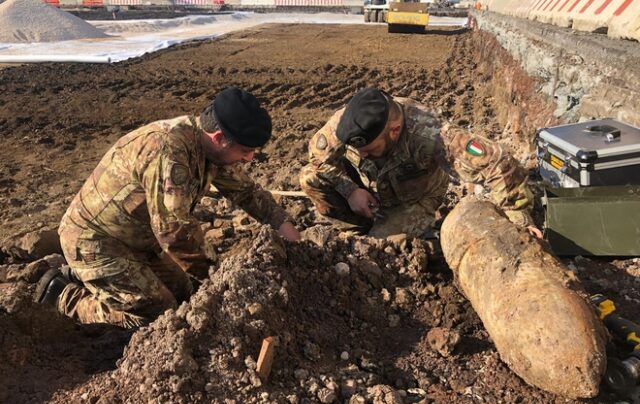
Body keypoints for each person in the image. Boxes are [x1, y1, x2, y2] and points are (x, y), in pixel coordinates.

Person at [35, 87, 300, 328]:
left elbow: (247, 192)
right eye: (245, 151)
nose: (251, 158)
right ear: (219, 137)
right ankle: (64, 294)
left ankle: (91, 277)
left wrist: (285, 228)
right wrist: (221, 279)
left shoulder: (207, 148)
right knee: (159, 314)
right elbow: (173, 231)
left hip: (140, 240)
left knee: (185, 292)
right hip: (96, 242)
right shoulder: (170, 152)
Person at [299, 87, 537, 239]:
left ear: (393, 131)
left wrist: (519, 221)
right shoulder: (348, 121)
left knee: (383, 248)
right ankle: (358, 228)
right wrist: (351, 191)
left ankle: (410, 237)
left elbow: (498, 162)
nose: (361, 155)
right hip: (370, 190)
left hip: (414, 199)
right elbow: (317, 158)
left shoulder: (431, 133)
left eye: (369, 150)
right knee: (308, 177)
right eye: (357, 150)